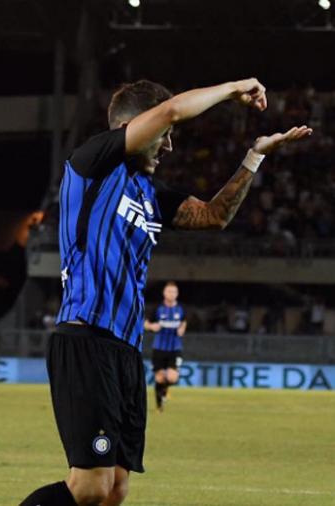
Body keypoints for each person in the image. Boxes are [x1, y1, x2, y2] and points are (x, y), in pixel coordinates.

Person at [19, 79, 311, 506]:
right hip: (86, 340)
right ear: (138, 126)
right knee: (89, 487)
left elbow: (214, 216)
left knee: (115, 490)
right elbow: (172, 110)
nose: (170, 146)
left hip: (126, 352)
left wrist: (253, 157)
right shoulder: (92, 164)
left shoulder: (150, 194)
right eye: (163, 136)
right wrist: (233, 89)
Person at [144, 281, 186, 411]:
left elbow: (184, 321)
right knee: (160, 378)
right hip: (159, 348)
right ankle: (159, 406)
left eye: (174, 292)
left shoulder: (181, 309)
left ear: (177, 294)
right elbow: (145, 323)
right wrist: (151, 326)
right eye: (169, 291)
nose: (171, 294)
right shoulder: (157, 308)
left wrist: (182, 329)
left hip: (175, 348)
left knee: (172, 377)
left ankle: (165, 391)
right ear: (164, 293)